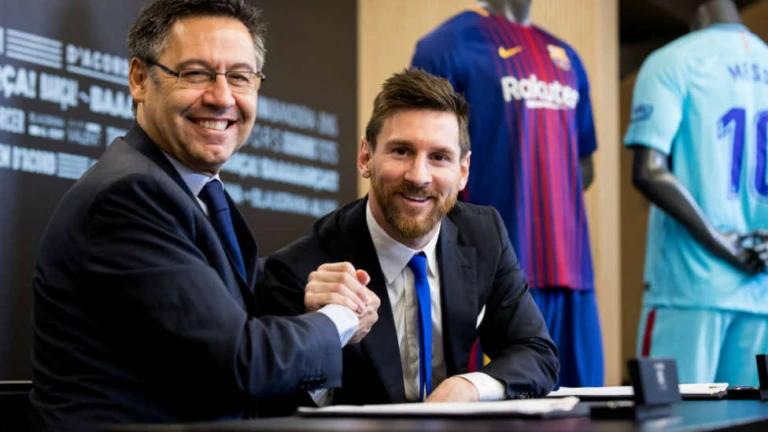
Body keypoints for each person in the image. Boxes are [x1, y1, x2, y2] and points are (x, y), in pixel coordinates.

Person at [28, 0, 378, 429]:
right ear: (139, 79)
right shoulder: (126, 197)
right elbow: (242, 362)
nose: (222, 97)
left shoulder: (194, 192)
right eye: (195, 73)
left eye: (240, 77)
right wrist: (342, 317)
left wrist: (322, 295)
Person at [261, 68, 558, 405]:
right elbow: (281, 404)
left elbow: (536, 353)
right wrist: (325, 333)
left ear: (462, 171)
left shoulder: (483, 234)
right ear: (366, 157)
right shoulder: (300, 270)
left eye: (439, 157)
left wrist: (468, 387)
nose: (419, 177)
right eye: (401, 151)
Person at [409, 0, 602, 387]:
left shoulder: (566, 58)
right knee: (499, 406)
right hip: (494, 276)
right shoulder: (446, 46)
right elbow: (425, 160)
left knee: (584, 405)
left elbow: (584, 164)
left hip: (571, 273)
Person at [626, 0, 768, 385]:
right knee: (751, 416)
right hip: (760, 289)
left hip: (689, 287)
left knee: (669, 415)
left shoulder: (672, 61)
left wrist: (723, 241)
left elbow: (649, 171)